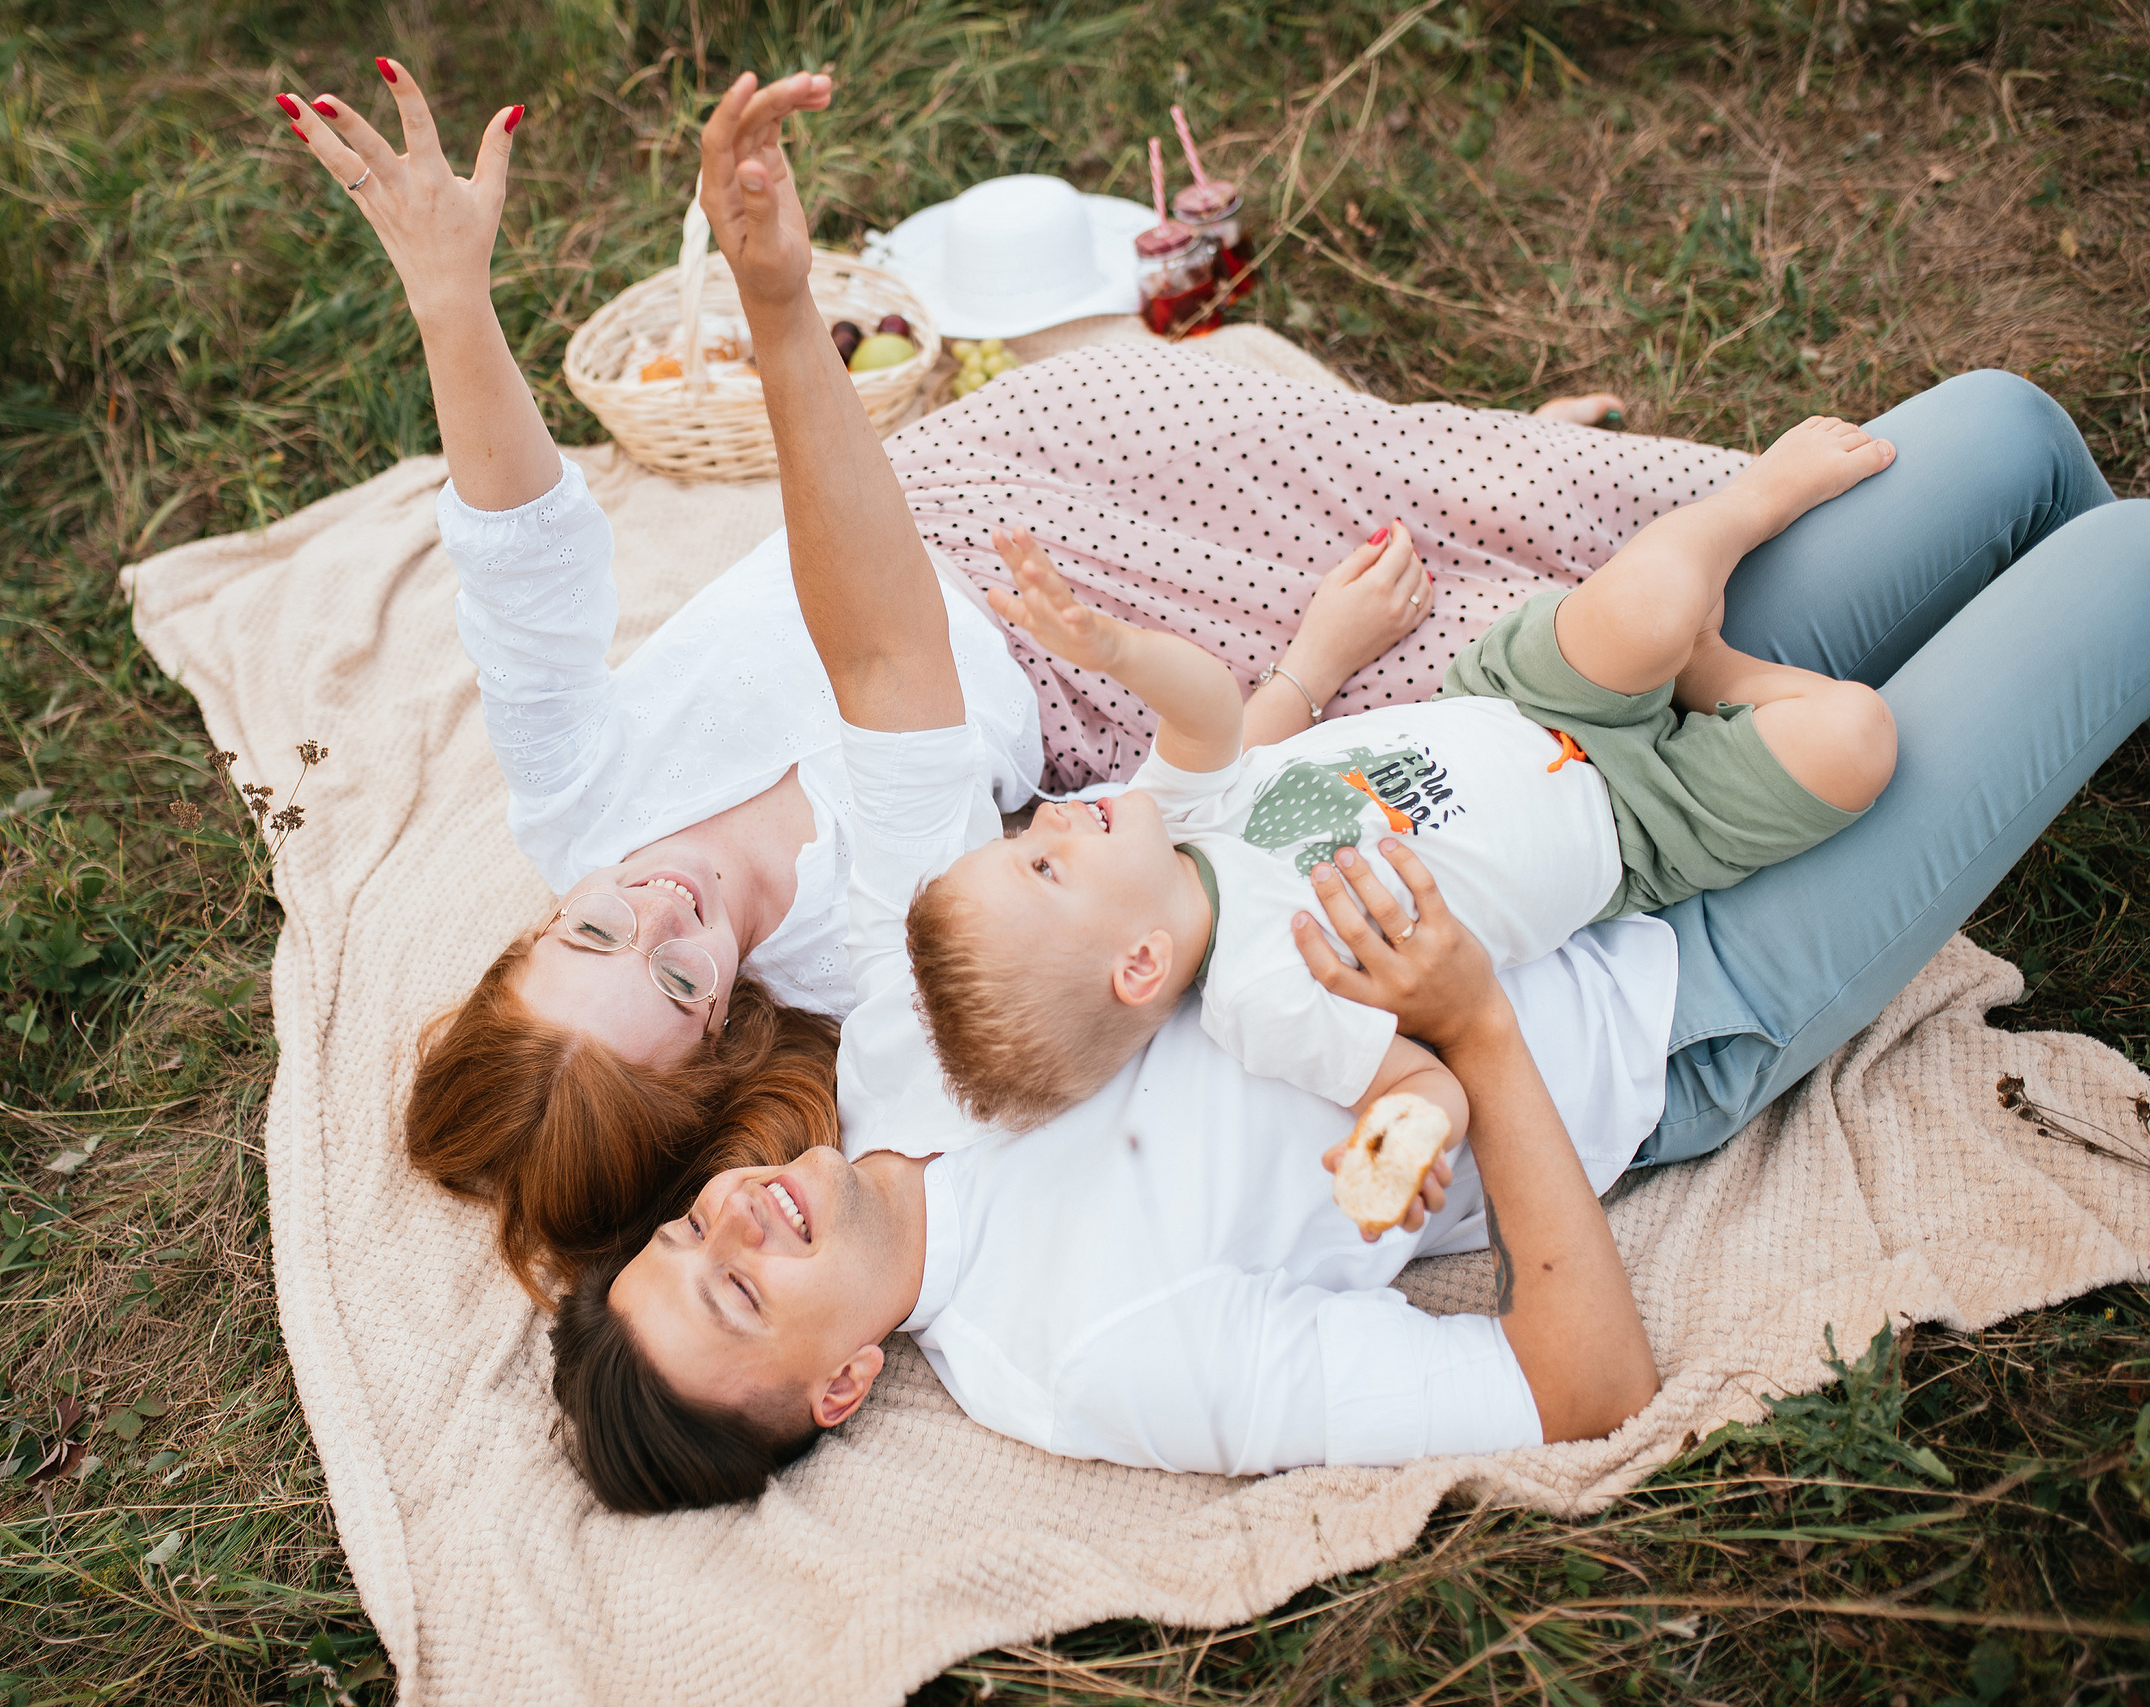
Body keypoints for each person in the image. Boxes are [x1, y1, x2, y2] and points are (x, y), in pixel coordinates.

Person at [549, 69, 2150, 1514]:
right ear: (839, 1387)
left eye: (689, 1232)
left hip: (1542, 739)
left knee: (2006, 432)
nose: (736, 1224)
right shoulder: (1090, 1356)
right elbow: (1582, 1386)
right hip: (1677, 987)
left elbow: (890, 660)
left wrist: (779, 307)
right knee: (2125, 567)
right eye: (739, 1294)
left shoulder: (903, 1034)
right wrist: (1475, 1031)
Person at [273, 64, 1689, 1296]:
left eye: (590, 930)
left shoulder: (571, 801)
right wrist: (1311, 666)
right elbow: (1083, 781)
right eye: (681, 974)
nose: (661, 906)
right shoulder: (869, 964)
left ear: (535, 932)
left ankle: (1493, 459)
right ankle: (1528, 495)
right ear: (721, 1044)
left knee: (1361, 458)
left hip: (968, 486)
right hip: (1091, 674)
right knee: (1518, 643)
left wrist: (450, 296)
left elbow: (523, 562)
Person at [905, 413, 1900, 1134]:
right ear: (1139, 966)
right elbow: (1417, 1084)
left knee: (1640, 610)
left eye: (1024, 837)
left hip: (1524, 700)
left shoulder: (1168, 814)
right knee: (1855, 740)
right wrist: (1400, 1141)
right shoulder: (1263, 999)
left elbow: (1209, 709)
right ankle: (1706, 667)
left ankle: (1751, 502)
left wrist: (1114, 648)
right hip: (1639, 830)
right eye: (1044, 867)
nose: (1052, 821)